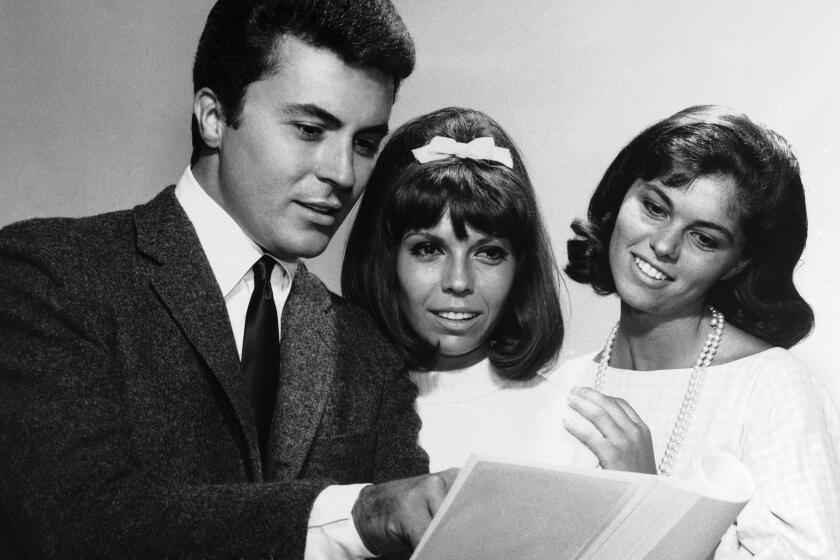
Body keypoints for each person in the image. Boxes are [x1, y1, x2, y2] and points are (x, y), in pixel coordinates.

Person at [0, 1, 457, 558]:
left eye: (364, 143)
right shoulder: (48, 275)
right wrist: (355, 515)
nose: (343, 172)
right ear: (214, 117)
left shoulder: (366, 346)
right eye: (310, 129)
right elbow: (77, 523)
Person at [558, 105, 840, 557]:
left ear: (740, 261)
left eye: (704, 238)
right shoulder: (561, 383)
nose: (664, 246)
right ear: (619, 199)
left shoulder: (772, 388)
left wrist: (648, 500)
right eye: (653, 207)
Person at [342, 107, 585, 472]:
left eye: (488, 253)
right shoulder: (328, 412)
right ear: (384, 258)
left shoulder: (570, 426)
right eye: (428, 249)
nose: (459, 282)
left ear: (521, 266)